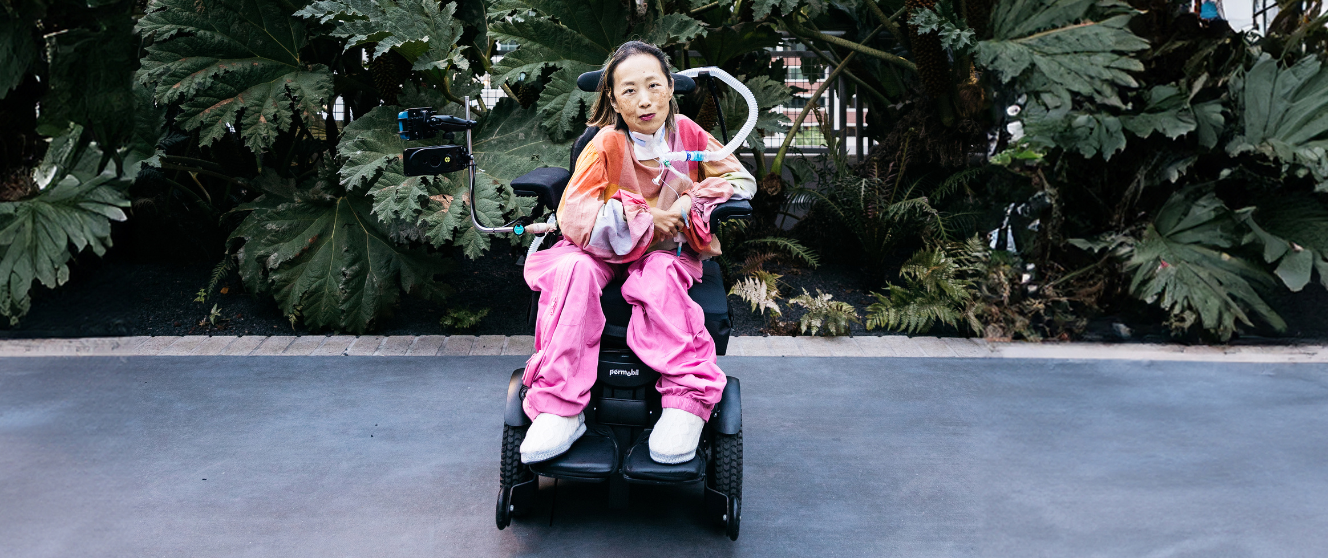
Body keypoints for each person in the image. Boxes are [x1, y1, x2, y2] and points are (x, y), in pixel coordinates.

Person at [517, 41, 757, 465]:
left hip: (665, 252)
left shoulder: (690, 135)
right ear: (613, 98)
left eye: (653, 86)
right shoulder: (605, 143)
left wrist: (691, 202)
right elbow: (574, 211)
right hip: (602, 250)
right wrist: (644, 217)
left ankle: (685, 401)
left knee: (659, 277)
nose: (644, 100)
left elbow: (741, 179)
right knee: (572, 269)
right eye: (629, 90)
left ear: (669, 89)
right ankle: (559, 407)